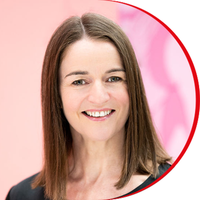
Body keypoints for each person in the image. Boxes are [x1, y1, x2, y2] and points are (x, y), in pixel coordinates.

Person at [6, 13, 172, 200]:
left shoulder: (177, 188)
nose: (99, 97)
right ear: (57, 95)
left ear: (132, 88)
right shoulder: (21, 196)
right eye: (79, 81)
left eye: (114, 78)